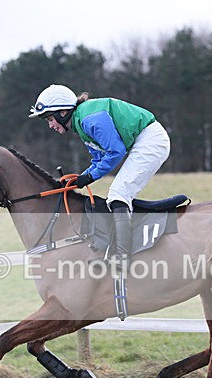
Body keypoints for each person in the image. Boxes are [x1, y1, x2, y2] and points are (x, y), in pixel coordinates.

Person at [28, 84, 170, 268]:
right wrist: (79, 179)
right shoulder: (81, 122)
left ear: (62, 112)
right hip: (142, 140)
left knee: (119, 194)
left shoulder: (89, 119)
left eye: (50, 119)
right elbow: (98, 160)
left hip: (151, 141)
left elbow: (115, 152)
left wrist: (90, 177)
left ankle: (122, 256)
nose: (51, 125)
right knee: (117, 194)